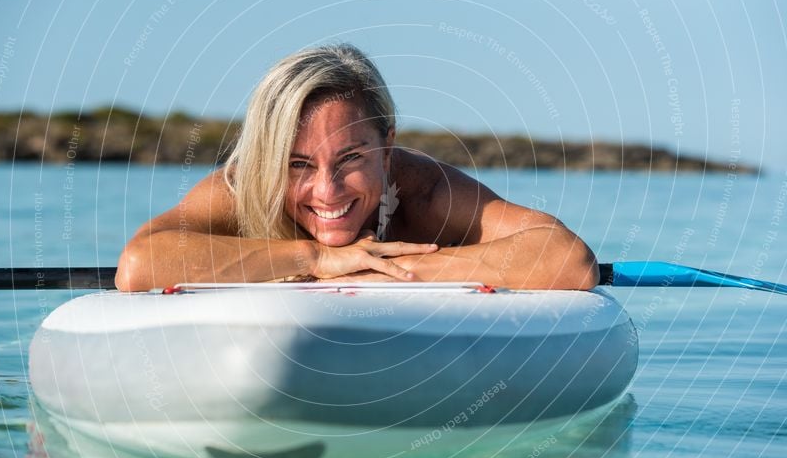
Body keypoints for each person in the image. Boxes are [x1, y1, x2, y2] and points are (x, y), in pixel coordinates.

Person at [116, 44, 598, 291]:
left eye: (350, 159)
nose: (326, 191)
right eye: (298, 164)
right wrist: (316, 260)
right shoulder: (244, 188)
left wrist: (390, 269)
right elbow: (139, 265)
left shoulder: (422, 190)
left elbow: (569, 261)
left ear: (387, 150)